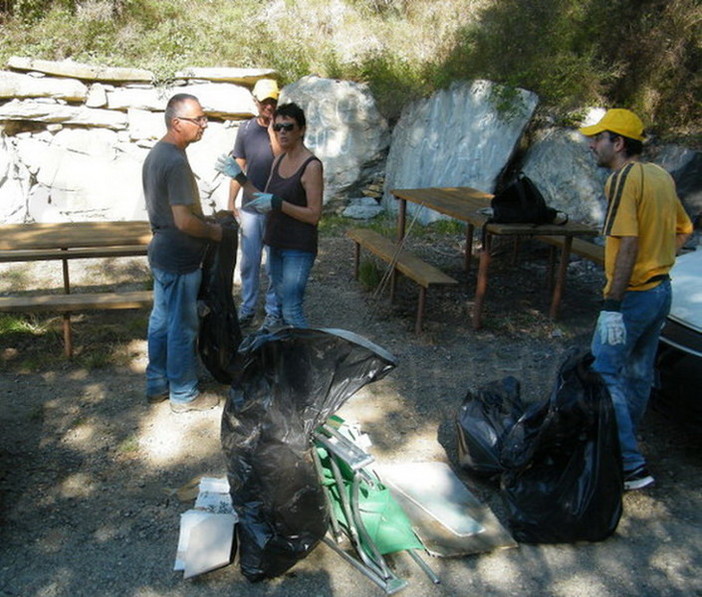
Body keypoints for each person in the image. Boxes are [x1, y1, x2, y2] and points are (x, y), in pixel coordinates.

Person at [579, 108, 693, 490]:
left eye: (599, 138)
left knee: (602, 371)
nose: (592, 144)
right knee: (638, 374)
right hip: (661, 290)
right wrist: (659, 261)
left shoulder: (623, 180)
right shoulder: (660, 175)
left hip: (633, 295)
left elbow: (627, 242)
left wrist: (613, 303)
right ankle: (624, 444)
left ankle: (629, 465)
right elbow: (685, 229)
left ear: (619, 143)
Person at [143, 93, 223, 413]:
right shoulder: (174, 161)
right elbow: (184, 220)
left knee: (161, 321)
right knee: (182, 326)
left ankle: (156, 384)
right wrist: (214, 232)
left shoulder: (158, 153)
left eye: (204, 118)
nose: (204, 125)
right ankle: (184, 393)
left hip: (163, 253)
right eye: (198, 119)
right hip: (178, 258)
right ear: (177, 123)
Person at [216, 102, 323, 329]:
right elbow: (262, 196)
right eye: (278, 127)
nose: (282, 132)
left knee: (292, 309)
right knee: (282, 304)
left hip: (297, 247)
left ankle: (305, 359)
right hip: (276, 242)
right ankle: (286, 353)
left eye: (289, 127)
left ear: (301, 130)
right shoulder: (280, 159)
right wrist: (240, 177)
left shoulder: (311, 166)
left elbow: (314, 215)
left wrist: (279, 204)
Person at [228, 79, 282, 328]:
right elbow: (239, 165)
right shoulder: (246, 129)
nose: (268, 106)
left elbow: (282, 158)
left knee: (273, 263)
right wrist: (231, 200)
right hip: (250, 206)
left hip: (275, 207)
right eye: (264, 101)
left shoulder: (284, 128)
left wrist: (272, 130)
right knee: (249, 262)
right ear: (255, 102)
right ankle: (248, 307)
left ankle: (273, 310)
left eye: (272, 101)